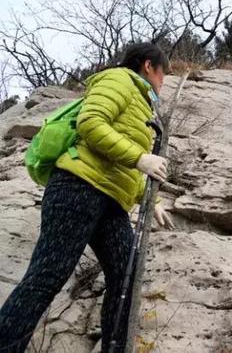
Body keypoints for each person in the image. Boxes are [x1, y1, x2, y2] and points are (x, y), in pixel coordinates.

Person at [0, 43, 174, 353]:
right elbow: (91, 124)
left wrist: (151, 200)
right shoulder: (119, 80)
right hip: (77, 186)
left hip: (111, 202)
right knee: (48, 275)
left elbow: (121, 167)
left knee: (126, 278)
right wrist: (140, 158)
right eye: (164, 73)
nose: (164, 80)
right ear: (149, 66)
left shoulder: (144, 104)